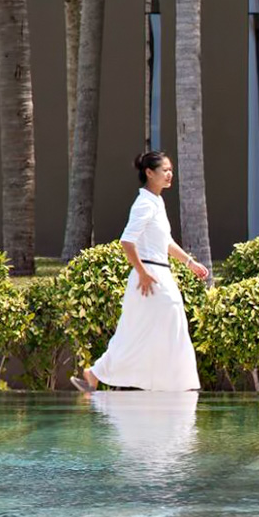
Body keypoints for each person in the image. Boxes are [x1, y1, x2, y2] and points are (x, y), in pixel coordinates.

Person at [71, 151, 209, 392]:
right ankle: (178, 386)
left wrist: (190, 263)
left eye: (171, 170)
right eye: (165, 170)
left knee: (141, 331)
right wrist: (143, 273)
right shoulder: (144, 203)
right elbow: (127, 241)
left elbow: (165, 241)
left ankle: (96, 373)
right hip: (151, 277)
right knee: (163, 323)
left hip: (159, 273)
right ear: (149, 173)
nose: (169, 175)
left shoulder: (156, 201)